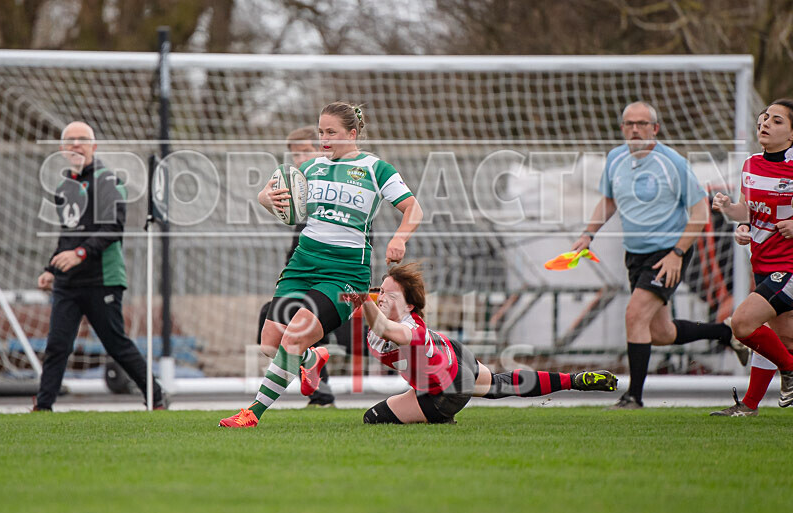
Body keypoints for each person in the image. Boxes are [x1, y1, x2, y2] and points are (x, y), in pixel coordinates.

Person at [220, 102, 423, 427]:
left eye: (331, 132)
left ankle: (252, 414)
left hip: (343, 273)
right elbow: (281, 206)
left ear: (352, 133)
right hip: (302, 265)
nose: (324, 139)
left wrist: (400, 238)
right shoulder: (311, 168)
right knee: (270, 344)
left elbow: (414, 208)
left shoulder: (376, 169)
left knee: (293, 338)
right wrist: (265, 200)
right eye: (320, 132)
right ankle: (313, 359)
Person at [571, 101, 749, 409]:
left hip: (668, 254)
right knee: (661, 332)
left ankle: (633, 397)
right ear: (622, 128)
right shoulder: (615, 159)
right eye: (629, 124)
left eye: (642, 123)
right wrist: (588, 233)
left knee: (634, 315)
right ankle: (727, 331)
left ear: (655, 128)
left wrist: (677, 253)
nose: (635, 129)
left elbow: (699, 212)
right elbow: (609, 201)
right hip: (635, 256)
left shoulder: (674, 162)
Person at [346, 263, 618, 424]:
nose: (379, 297)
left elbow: (384, 329)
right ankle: (575, 380)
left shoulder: (407, 328)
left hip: (447, 390)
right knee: (502, 384)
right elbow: (370, 307)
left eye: (387, 294)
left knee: (372, 418)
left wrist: (363, 301)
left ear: (409, 304)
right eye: (379, 291)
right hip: (454, 356)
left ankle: (440, 418)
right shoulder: (396, 313)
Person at [34, 121, 166, 411]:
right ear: (62, 148)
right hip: (69, 282)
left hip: (102, 279)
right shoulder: (63, 186)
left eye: (82, 139)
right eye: (70, 140)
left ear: (94, 146)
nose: (76, 144)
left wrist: (80, 253)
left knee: (116, 344)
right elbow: (67, 235)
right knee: (57, 345)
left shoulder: (108, 181)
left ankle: (156, 396)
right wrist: (50, 269)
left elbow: (113, 229)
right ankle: (43, 408)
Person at [710, 99, 793, 416]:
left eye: (777, 120)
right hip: (762, 264)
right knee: (780, 338)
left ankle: (789, 371)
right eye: (764, 118)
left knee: (743, 323)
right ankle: (750, 406)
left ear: (791, 134)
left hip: (788, 267)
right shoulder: (751, 165)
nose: (766, 123)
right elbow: (748, 213)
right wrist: (733, 215)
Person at [255, 126, 342, 407]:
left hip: (340, 283)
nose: (299, 157)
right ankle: (318, 381)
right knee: (269, 330)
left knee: (299, 319)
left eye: (306, 150)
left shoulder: (337, 186)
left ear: (321, 150)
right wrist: (265, 200)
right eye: (295, 153)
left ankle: (320, 391)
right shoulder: (299, 191)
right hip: (307, 281)